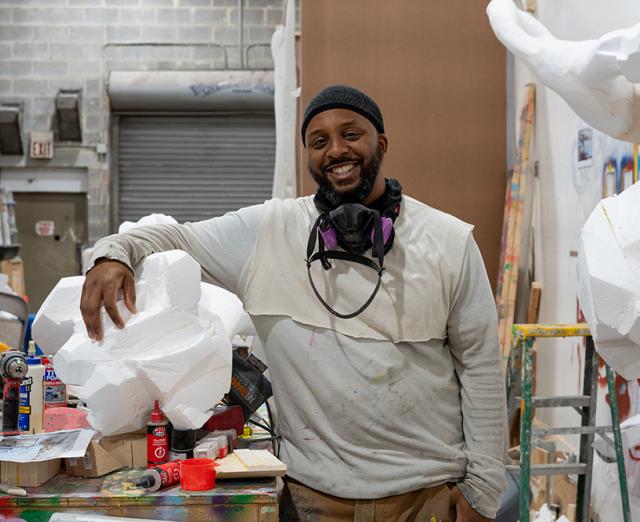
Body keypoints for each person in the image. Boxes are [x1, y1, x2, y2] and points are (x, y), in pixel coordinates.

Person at [81, 85, 507, 522]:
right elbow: (169, 236)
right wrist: (112, 255)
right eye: (319, 142)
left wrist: (483, 493)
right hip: (313, 501)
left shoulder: (449, 242)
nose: (336, 150)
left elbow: (481, 368)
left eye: (350, 134)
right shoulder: (269, 232)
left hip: (427, 498)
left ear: (380, 143)